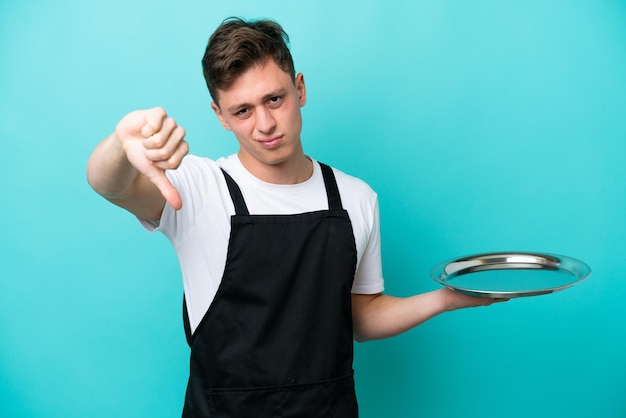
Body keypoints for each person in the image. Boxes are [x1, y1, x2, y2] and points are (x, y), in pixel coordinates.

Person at [87, 17, 502, 418]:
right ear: (219, 115)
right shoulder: (198, 189)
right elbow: (111, 185)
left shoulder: (355, 198)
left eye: (274, 99)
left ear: (299, 88)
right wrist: (122, 144)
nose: (265, 124)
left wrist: (445, 300)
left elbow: (362, 316)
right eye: (242, 111)